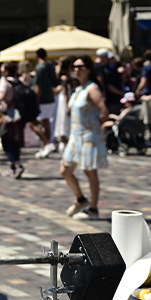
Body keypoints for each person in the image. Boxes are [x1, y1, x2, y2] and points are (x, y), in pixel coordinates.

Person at [61, 55, 109, 220]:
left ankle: (94, 209)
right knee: (65, 171)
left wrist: (103, 125)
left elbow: (103, 110)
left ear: (89, 69)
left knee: (90, 173)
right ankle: (81, 199)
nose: (77, 70)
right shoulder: (78, 89)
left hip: (89, 136)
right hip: (75, 137)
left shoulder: (92, 88)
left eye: (81, 67)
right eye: (74, 67)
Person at [0, 61, 26, 178]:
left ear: (7, 71)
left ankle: (17, 165)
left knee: (6, 140)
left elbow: (1, 96)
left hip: (8, 116)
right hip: (19, 115)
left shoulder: (5, 82)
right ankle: (13, 167)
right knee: (15, 141)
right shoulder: (19, 81)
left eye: (3, 70)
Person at [32, 48, 58, 159]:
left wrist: (35, 100)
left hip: (42, 99)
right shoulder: (50, 67)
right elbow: (54, 82)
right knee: (46, 122)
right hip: (50, 98)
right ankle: (45, 148)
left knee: (32, 124)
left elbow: (38, 86)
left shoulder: (40, 67)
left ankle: (47, 144)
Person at [53, 57, 74, 153]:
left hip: (65, 99)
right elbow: (65, 93)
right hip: (65, 100)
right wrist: (68, 105)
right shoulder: (65, 78)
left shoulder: (68, 77)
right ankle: (63, 140)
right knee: (64, 120)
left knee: (64, 120)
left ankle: (65, 140)